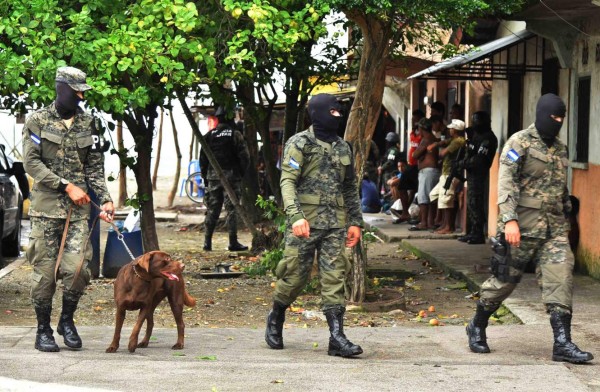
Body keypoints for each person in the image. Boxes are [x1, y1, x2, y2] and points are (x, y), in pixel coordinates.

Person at [466, 94, 593, 364]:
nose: (557, 122)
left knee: (561, 279)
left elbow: (560, 188)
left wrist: (568, 215)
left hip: (554, 230)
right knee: (503, 283)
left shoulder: (560, 148)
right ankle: (476, 325)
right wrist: (509, 219)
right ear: (541, 114)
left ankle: (562, 343)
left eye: (561, 119)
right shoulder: (519, 142)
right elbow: (507, 181)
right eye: (553, 118)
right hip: (520, 227)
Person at [22, 66, 115, 352]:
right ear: (61, 88)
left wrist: (106, 198)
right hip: (46, 210)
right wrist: (66, 186)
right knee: (45, 275)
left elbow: (94, 166)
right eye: (75, 92)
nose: (80, 97)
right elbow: (31, 163)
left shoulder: (90, 123)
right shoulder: (36, 120)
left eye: (82, 92)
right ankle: (42, 330)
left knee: (78, 271)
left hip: (79, 213)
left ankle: (66, 320)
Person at [265, 93, 363, 358]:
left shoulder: (344, 147)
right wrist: (296, 216)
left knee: (335, 278)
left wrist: (356, 222)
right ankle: (276, 315)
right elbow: (287, 182)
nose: (338, 116)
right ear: (318, 112)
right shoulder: (300, 143)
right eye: (333, 112)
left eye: (339, 112)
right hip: (305, 224)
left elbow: (349, 188)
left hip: (336, 225)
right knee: (294, 277)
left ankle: (337, 338)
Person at [199, 106, 250, 252]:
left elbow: (202, 160)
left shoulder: (209, 135)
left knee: (212, 210)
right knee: (232, 209)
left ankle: (207, 242)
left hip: (213, 177)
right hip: (232, 178)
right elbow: (245, 157)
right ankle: (233, 242)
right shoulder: (235, 134)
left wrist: (206, 177)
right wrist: (240, 174)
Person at [458, 111, 498, 244]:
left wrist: (463, 163)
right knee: (471, 204)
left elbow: (479, 160)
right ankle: (473, 232)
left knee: (477, 203)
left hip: (480, 175)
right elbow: (470, 152)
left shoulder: (488, 138)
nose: (475, 125)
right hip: (472, 175)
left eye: (477, 122)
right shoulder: (476, 137)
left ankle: (479, 233)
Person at [428, 119, 466, 234]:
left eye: (451, 128)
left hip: (451, 173)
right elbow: (444, 142)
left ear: (454, 130)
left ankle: (449, 226)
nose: (449, 130)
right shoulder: (454, 140)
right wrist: (436, 144)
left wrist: (436, 151)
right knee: (435, 196)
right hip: (446, 173)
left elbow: (442, 153)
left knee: (446, 199)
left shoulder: (458, 141)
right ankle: (444, 223)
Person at [393, 109, 424, 223]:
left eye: (415, 119)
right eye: (413, 119)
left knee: (411, 188)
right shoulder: (413, 131)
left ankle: (406, 213)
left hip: (417, 165)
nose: (413, 121)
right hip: (411, 164)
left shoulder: (423, 133)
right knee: (403, 188)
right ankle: (405, 212)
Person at [410, 118, 440, 231]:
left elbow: (415, 155)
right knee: (430, 197)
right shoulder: (431, 138)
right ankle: (430, 222)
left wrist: (418, 154)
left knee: (423, 198)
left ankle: (424, 222)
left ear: (422, 129)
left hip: (427, 172)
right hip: (430, 172)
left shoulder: (426, 139)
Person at [378, 131, 401, 212]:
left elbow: (390, 162)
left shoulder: (393, 150)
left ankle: (393, 208)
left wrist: (382, 168)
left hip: (391, 173)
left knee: (391, 192)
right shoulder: (390, 150)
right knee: (387, 192)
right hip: (388, 173)